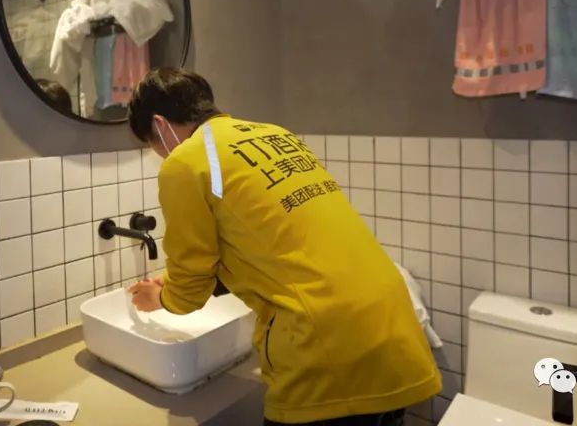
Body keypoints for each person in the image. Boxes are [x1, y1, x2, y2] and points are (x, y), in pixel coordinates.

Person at [126, 68, 440, 426]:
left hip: (326, 348)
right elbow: (271, 244)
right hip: (392, 328)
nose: (159, 154)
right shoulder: (276, 134)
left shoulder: (185, 162)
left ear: (160, 124)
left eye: (152, 143)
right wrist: (181, 281)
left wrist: (160, 298)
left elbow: (188, 291)